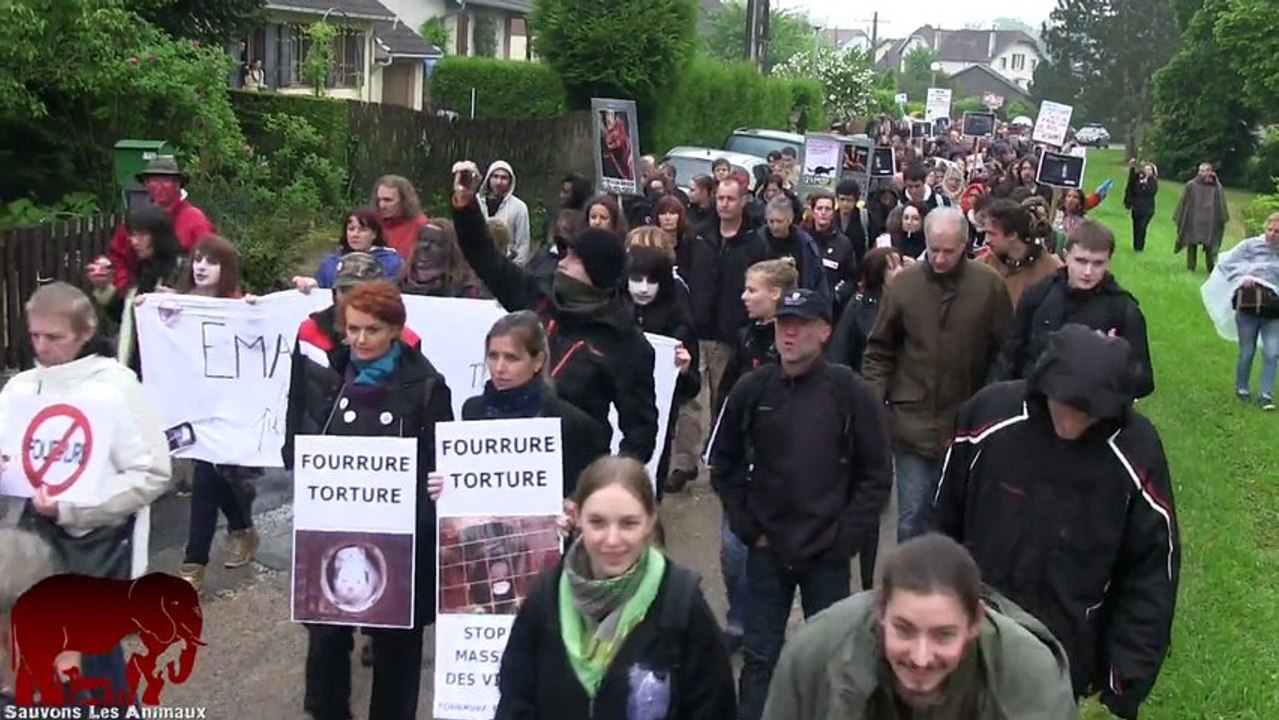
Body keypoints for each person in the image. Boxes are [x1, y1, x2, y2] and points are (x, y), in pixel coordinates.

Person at [932, 324, 1180, 719]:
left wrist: (1123, 683)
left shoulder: (1135, 451)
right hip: (970, 637)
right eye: (1065, 402)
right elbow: (939, 525)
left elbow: (1151, 574)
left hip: (1063, 656)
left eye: (1089, 411)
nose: (1072, 418)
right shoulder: (988, 417)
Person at [709, 288, 893, 720]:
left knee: (834, 661)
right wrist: (746, 527)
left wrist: (844, 539)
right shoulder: (753, 389)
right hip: (766, 548)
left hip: (826, 552)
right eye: (782, 324)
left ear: (824, 332)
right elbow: (724, 463)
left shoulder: (849, 392)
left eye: (800, 325)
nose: (788, 334)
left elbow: (876, 474)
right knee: (760, 658)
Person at [286, 281, 453, 720]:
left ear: (396, 329)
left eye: (372, 330)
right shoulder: (332, 372)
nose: (360, 340)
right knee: (324, 644)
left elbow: (441, 459)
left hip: (400, 542)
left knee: (396, 654)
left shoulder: (426, 386)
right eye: (353, 329)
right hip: (334, 537)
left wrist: (435, 490)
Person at [0, 282, 172, 705]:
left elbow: (151, 473)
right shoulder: (20, 388)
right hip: (23, 558)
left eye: (53, 337)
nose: (42, 347)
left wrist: (72, 508)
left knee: (94, 676)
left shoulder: (116, 387)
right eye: (35, 335)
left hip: (90, 556)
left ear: (83, 331)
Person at [495, 456, 737, 720]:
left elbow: (714, 707)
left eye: (628, 523)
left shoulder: (680, 603)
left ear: (649, 522)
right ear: (576, 518)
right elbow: (515, 702)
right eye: (597, 522)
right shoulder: (545, 599)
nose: (612, 540)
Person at [450, 160, 659, 463]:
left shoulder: (625, 343)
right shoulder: (539, 297)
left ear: (595, 272)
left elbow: (640, 435)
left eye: (573, 258)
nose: (562, 262)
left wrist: (606, 487)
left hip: (575, 471)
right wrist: (466, 204)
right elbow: (486, 259)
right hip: (510, 459)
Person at [760, 534, 1079, 720]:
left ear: (975, 622)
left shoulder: (1029, 677)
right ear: (882, 609)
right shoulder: (816, 653)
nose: (921, 658)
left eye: (944, 635)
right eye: (905, 630)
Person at [861, 207, 1012, 542]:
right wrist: (874, 403)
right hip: (911, 421)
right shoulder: (904, 286)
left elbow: (1006, 353)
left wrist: (990, 401)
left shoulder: (989, 287)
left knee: (955, 522)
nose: (940, 259)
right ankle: (909, 587)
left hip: (967, 424)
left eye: (949, 251)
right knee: (912, 518)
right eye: (933, 250)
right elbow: (879, 349)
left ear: (965, 244)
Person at [168, 236, 261, 589]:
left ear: (227, 269)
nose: (201, 266)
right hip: (194, 408)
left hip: (229, 407)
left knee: (208, 476)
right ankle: (240, 530)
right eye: (197, 259)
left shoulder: (237, 306)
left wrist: (254, 312)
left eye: (211, 261)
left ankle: (194, 563)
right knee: (212, 474)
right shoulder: (176, 307)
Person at [995, 220, 1154, 398]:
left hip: (1091, 411)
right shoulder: (1039, 294)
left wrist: (1113, 360)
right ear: (1066, 256)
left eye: (1098, 263)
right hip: (1036, 402)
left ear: (1109, 262)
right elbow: (1009, 354)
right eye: (1081, 260)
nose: (1088, 271)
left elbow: (1144, 382)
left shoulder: (1123, 310)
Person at [461, 311, 609, 496]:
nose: (499, 368)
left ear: (538, 361)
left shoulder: (572, 424)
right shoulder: (472, 412)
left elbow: (592, 492)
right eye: (493, 356)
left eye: (511, 358)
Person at [624, 240, 699, 494]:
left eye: (651, 281)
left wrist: (685, 369)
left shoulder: (679, 322)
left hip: (657, 420)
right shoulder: (613, 312)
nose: (643, 289)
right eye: (637, 280)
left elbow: (692, 388)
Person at [87, 204, 184, 373]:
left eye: (141, 235)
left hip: (165, 372)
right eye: (132, 234)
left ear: (159, 236)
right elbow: (128, 319)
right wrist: (103, 288)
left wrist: (180, 302)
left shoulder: (181, 272)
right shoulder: (143, 271)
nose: (133, 241)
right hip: (136, 369)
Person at [103, 156, 213, 293]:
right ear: (146, 185)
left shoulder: (195, 220)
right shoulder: (137, 218)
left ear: (178, 184)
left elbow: (212, 262)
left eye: (166, 180)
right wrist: (127, 286)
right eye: (154, 180)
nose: (159, 186)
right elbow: (117, 256)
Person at [1212, 211, 1279, 410]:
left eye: (1278, 232)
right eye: (1270, 230)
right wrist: (1244, 278)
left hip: (1274, 311)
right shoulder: (1250, 246)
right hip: (1249, 308)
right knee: (1247, 351)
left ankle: (1266, 395)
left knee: (1272, 352)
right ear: (1264, 228)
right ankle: (1242, 389)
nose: (1273, 234)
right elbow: (1225, 263)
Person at [977, 198, 1063, 309]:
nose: (986, 240)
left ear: (1012, 235)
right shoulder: (983, 266)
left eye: (992, 234)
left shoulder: (1052, 270)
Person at [298, 209, 403, 291]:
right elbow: (322, 291)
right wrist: (311, 286)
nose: (355, 234)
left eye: (362, 230)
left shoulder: (389, 262)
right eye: (351, 229)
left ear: (374, 234)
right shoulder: (331, 262)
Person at [398, 219, 489, 298]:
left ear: (449, 249)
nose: (425, 246)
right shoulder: (399, 283)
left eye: (434, 242)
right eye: (422, 239)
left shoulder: (467, 288)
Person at [1174, 162, 1230, 274]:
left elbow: (1221, 204)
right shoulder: (1191, 185)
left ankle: (1211, 269)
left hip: (1210, 222)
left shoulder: (1216, 187)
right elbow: (1184, 203)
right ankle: (1191, 268)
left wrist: (1216, 182)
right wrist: (1182, 218)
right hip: (1194, 220)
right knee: (1191, 244)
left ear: (1210, 171)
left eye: (1205, 170)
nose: (1202, 173)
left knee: (1210, 246)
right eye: (1201, 171)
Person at [479, 160, 533, 266]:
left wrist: (514, 269)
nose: (499, 182)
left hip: (506, 265)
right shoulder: (475, 203)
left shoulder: (519, 207)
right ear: (488, 178)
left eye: (504, 178)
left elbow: (523, 244)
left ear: (510, 181)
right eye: (495, 176)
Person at [372, 175, 429, 260]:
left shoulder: (420, 225)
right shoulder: (373, 222)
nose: (382, 205)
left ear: (404, 201)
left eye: (388, 200)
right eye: (379, 200)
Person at [1123, 159, 1159, 252]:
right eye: (1146, 169)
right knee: (1136, 227)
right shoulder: (1138, 179)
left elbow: (1152, 192)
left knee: (1142, 227)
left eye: (1149, 169)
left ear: (1152, 172)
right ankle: (1136, 246)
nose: (1147, 171)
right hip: (1137, 208)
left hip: (1148, 210)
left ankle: (1140, 246)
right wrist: (1132, 167)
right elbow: (1131, 184)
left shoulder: (1153, 181)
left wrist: (1145, 184)